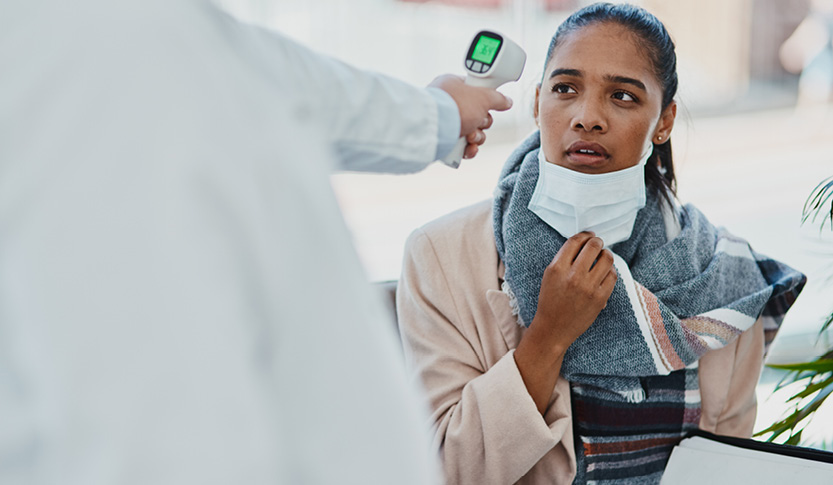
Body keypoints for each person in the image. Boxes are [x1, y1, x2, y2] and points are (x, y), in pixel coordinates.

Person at [0, 0, 511, 484]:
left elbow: (274, 76)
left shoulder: (156, 35)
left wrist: (436, 115)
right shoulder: (103, 68)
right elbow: (156, 435)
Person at [396, 3, 807, 484]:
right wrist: (547, 337)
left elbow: (728, 465)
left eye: (623, 96)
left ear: (664, 121)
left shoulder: (721, 277)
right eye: (565, 89)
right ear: (536, 104)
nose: (587, 117)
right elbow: (444, 470)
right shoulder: (441, 257)